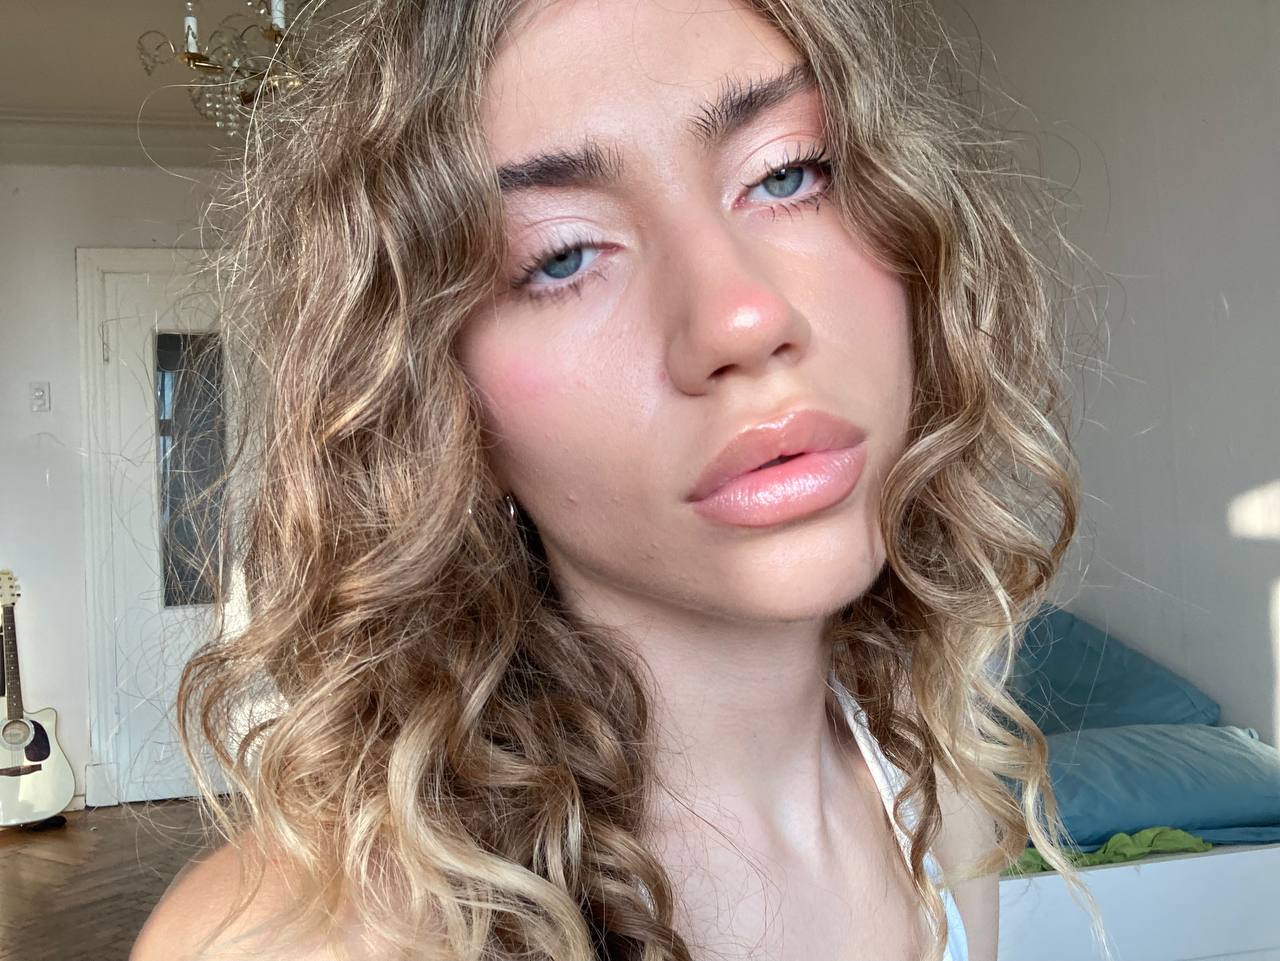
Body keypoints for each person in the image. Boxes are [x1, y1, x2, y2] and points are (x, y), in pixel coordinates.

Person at [131, 1, 1107, 959]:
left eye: (788, 172)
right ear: (433, 405)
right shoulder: (296, 938)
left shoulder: (944, 794)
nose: (738, 318)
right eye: (559, 256)